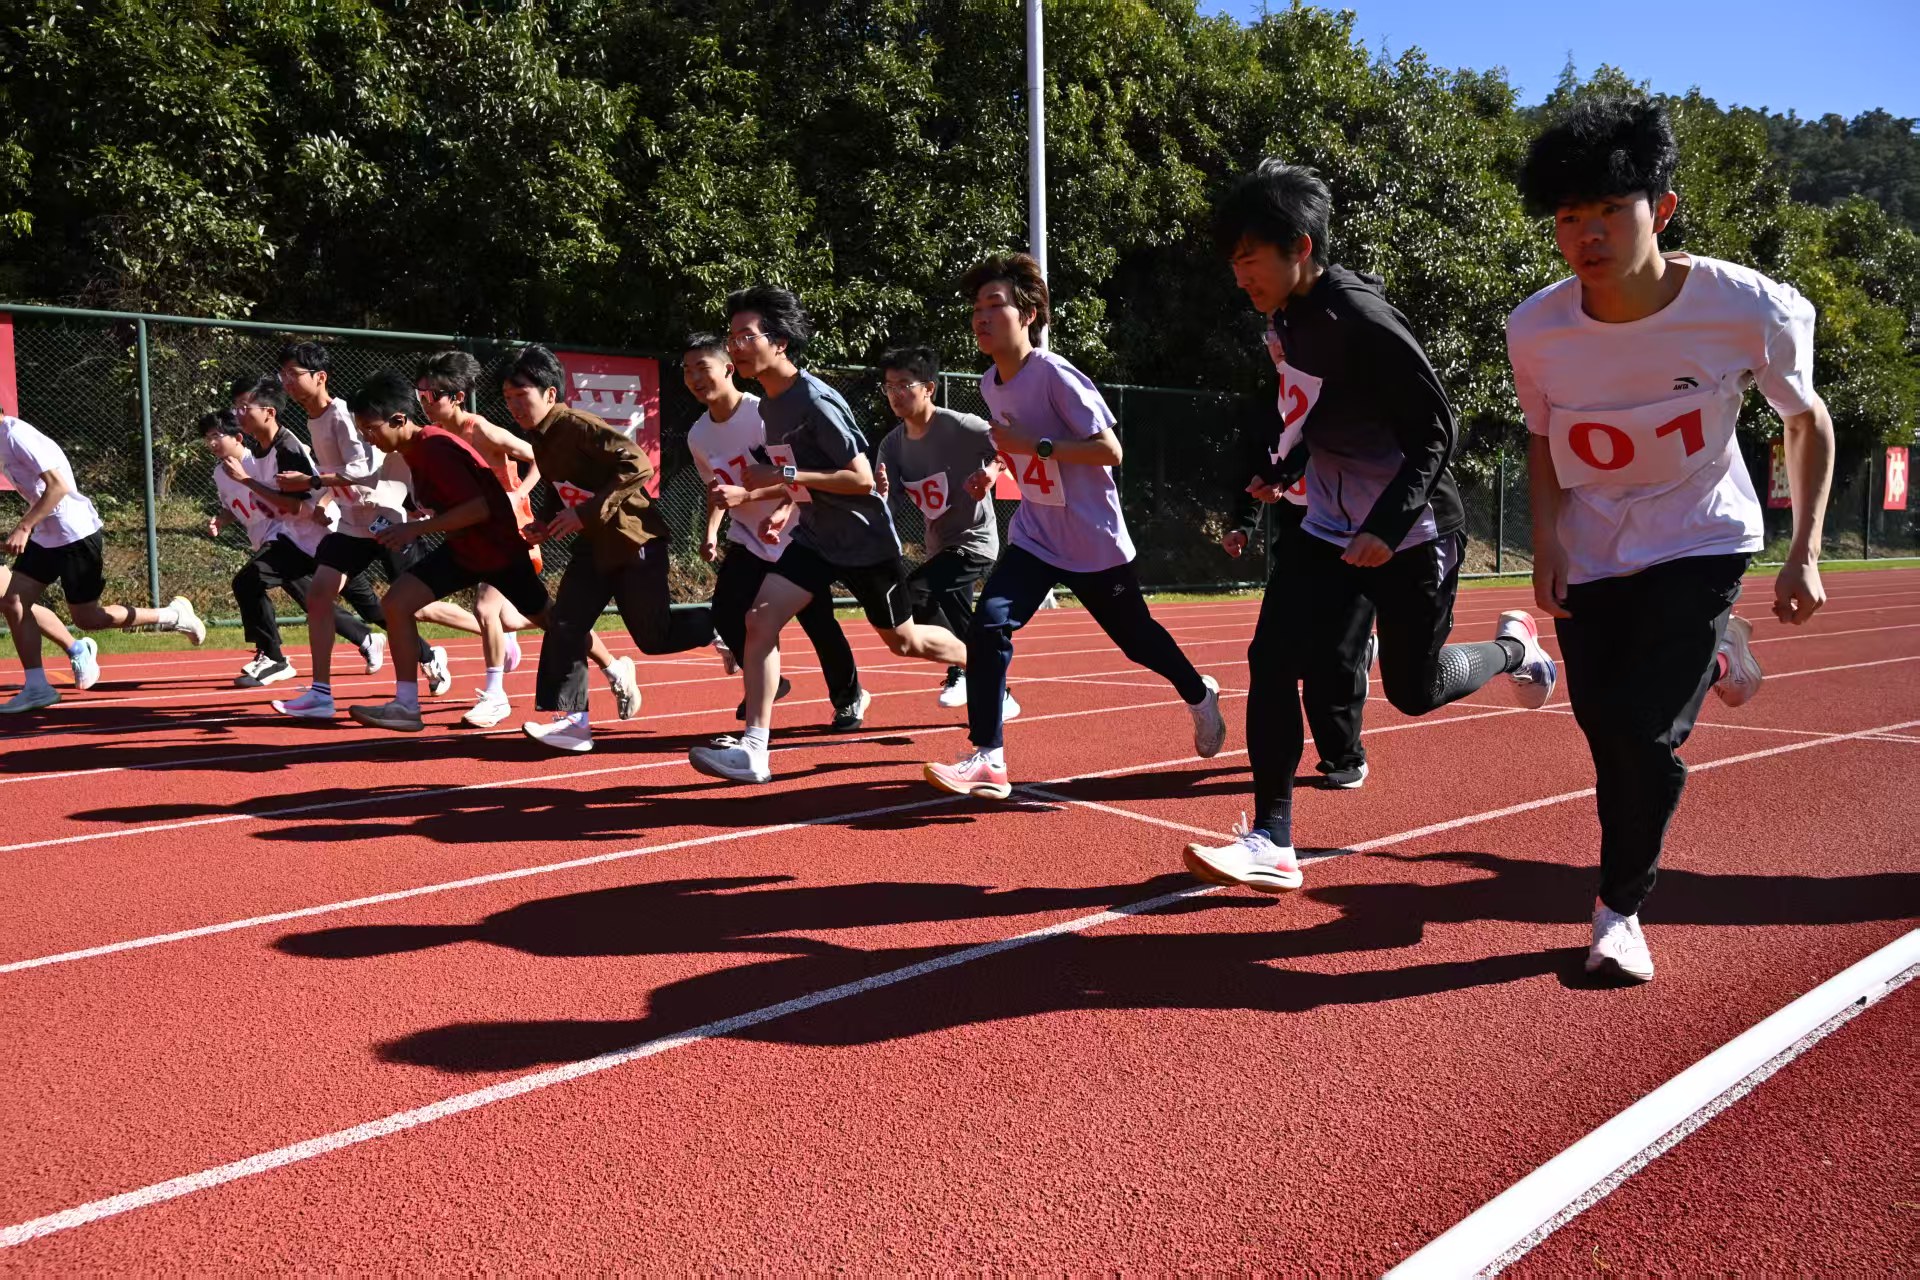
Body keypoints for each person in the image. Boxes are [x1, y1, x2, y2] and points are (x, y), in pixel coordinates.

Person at [1508, 97, 1833, 982]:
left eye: (1611, 211)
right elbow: (1543, 436)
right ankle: (1719, 654)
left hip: (1700, 537)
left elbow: (1806, 420)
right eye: (1569, 217)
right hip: (1593, 547)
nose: (1588, 235)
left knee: (1640, 734)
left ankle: (1618, 911)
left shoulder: (1748, 308)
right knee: (1602, 727)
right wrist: (1547, 541)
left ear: (1663, 209)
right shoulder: (1536, 328)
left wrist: (1803, 551)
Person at [1182, 161, 1556, 894]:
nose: (1239, 275)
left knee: (1414, 689)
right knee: (1271, 659)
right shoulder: (1284, 317)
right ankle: (1272, 839)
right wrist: (1285, 473)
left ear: (1300, 246)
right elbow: (1320, 413)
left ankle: (1516, 649)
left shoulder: (1361, 317)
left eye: (1249, 258)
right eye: (1232, 261)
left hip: (1411, 533)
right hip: (1327, 527)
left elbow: (1437, 429)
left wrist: (1387, 523)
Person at [923, 254, 1226, 801]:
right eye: (976, 308)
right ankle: (989, 756)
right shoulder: (990, 383)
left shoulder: (1055, 374)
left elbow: (1110, 450)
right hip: (1037, 535)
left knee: (1138, 642)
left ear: (1029, 314)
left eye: (995, 305)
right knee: (988, 624)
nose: (981, 317)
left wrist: (1034, 447)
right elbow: (1015, 447)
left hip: (1091, 540)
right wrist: (996, 468)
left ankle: (1198, 693)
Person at [687, 286, 967, 784]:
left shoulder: (815, 401)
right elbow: (794, 476)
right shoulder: (768, 407)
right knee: (759, 620)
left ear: (779, 342)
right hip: (815, 537)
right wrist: (775, 501)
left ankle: (981, 662)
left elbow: (860, 479)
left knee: (904, 643)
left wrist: (782, 479)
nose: (736, 347)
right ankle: (755, 750)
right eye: (731, 338)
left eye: (746, 337)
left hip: (863, 542)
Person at [501, 345, 715, 754]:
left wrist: (584, 513)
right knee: (565, 622)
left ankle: (720, 624)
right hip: (593, 547)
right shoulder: (540, 437)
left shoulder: (579, 425)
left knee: (653, 638)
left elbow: (638, 464)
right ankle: (573, 723)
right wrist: (545, 522)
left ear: (550, 394)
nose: (513, 405)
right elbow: (557, 485)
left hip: (634, 540)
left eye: (521, 395)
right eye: (507, 397)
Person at [414, 350, 638, 729]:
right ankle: (615, 668)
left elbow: (538, 456)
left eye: (431, 395)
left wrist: (520, 493)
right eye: (419, 396)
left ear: (456, 397)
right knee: (542, 618)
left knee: (486, 610)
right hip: (476, 536)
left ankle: (496, 695)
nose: (425, 403)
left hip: (511, 533)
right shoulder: (434, 438)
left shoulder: (481, 430)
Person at [258, 346, 466, 719]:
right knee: (318, 596)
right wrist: (325, 500)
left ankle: (496, 628)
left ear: (320, 377)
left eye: (294, 373)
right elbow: (339, 472)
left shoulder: (342, 415)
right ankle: (321, 694)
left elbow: (362, 468)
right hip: (353, 523)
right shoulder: (314, 418)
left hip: (384, 518)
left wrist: (312, 481)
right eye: (282, 374)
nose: (286, 381)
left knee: (420, 607)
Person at [339, 372, 553, 733]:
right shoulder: (410, 450)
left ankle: (612, 667)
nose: (367, 438)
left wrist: (414, 529)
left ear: (398, 420)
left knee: (554, 621)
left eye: (371, 429)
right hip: (463, 549)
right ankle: (406, 705)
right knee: (397, 604)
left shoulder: (436, 446)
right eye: (362, 431)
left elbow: (479, 509)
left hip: (498, 551)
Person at [681, 333, 865, 727]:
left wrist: (782, 510)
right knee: (726, 612)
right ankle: (768, 681)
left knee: (818, 621)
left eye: (702, 368)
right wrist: (711, 531)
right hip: (749, 537)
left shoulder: (761, 415)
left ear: (728, 369)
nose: (695, 378)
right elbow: (717, 490)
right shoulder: (697, 436)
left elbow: (795, 473)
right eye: (687, 370)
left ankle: (850, 698)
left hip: (798, 534)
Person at [1222, 355, 1376, 790]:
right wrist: (1243, 524)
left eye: (1284, 327)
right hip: (1300, 535)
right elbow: (1258, 467)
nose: (1276, 339)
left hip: (1355, 530)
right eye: (1270, 328)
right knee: (1269, 654)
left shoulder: (1341, 381)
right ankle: (1276, 769)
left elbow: (1327, 438)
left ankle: (1345, 756)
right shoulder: (1266, 400)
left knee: (1335, 658)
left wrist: (1287, 476)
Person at [1, 412, 201, 713]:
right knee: (13, 602)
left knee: (88, 618)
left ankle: (172, 615)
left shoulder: (16, 434)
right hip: (47, 535)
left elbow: (57, 487)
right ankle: (37, 686)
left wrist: (24, 526)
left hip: (74, 533)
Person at [873, 344, 1019, 720]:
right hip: (939, 546)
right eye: (889, 387)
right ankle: (995, 689)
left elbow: (1010, 445)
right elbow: (889, 506)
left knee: (915, 595)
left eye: (904, 385)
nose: (896, 394)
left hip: (975, 541)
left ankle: (967, 669)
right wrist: (882, 498)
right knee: (956, 618)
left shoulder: (961, 426)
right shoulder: (892, 446)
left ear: (929, 388)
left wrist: (992, 471)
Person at [202, 410, 378, 688]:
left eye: (216, 435)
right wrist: (221, 520)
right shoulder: (220, 474)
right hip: (280, 542)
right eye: (206, 438)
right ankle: (365, 638)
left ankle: (273, 656)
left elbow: (315, 485)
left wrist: (320, 506)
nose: (211, 442)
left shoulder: (258, 460)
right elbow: (232, 507)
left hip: (295, 537)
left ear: (238, 437)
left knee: (362, 603)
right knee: (311, 598)